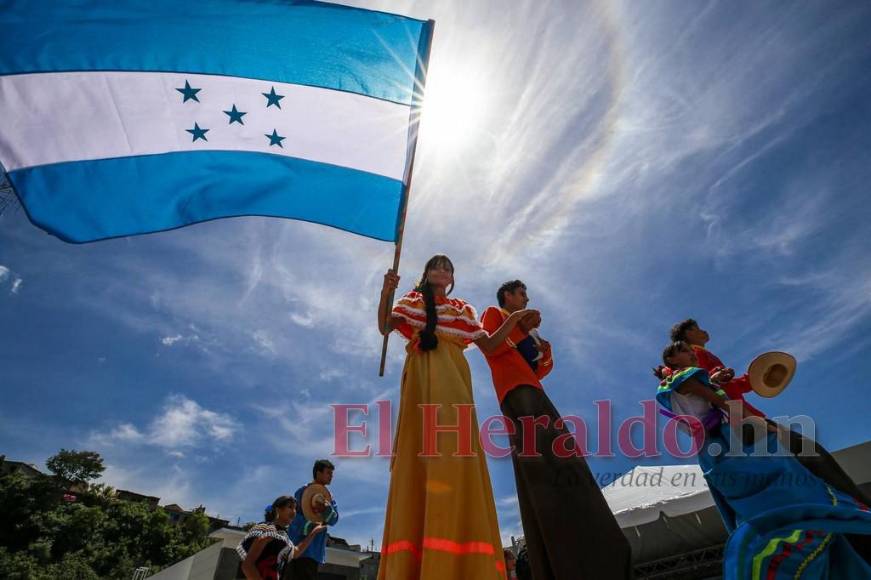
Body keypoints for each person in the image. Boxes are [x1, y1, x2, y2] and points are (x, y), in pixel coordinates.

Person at [654, 341, 871, 578]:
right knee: (792, 481)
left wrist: (716, 380)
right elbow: (717, 400)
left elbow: (700, 395)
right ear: (672, 360)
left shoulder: (671, 386)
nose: (692, 354)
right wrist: (751, 420)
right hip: (728, 439)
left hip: (710, 451)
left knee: (752, 502)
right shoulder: (686, 378)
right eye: (685, 351)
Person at [377, 255, 534, 579]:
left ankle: (464, 563)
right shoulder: (413, 301)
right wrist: (385, 292)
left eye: (448, 267)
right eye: (436, 265)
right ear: (427, 273)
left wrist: (515, 317)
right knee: (422, 451)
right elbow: (385, 326)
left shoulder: (462, 309)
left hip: (455, 381)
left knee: (455, 453)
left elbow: (489, 345)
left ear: (452, 278)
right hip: (422, 376)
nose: (442, 270)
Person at [480, 280, 632, 579]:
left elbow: (540, 370)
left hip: (532, 389)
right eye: (521, 293)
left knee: (562, 461)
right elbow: (492, 346)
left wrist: (541, 344)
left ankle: (588, 547)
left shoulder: (527, 331)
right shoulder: (494, 312)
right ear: (507, 295)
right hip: (515, 391)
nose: (526, 298)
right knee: (543, 467)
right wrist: (519, 323)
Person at [670, 318, 870, 504]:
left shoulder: (696, 358)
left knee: (797, 467)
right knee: (811, 455)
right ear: (687, 336)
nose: (703, 330)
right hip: (737, 423)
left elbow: (725, 386)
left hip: (736, 423)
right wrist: (728, 381)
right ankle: (857, 506)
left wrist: (750, 379)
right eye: (696, 329)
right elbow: (708, 386)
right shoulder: (695, 356)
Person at [237, 495, 325, 580]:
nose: (294, 511)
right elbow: (247, 566)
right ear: (278, 510)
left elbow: (296, 553)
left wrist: (314, 532)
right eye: (290, 507)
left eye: (295, 508)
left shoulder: (283, 535)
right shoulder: (266, 528)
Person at [286, 460, 339, 580]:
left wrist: (327, 509)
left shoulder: (329, 497)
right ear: (318, 473)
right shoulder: (302, 492)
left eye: (332, 474)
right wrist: (312, 526)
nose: (331, 476)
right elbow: (293, 518)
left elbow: (334, 520)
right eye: (328, 473)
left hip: (314, 553)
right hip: (298, 549)